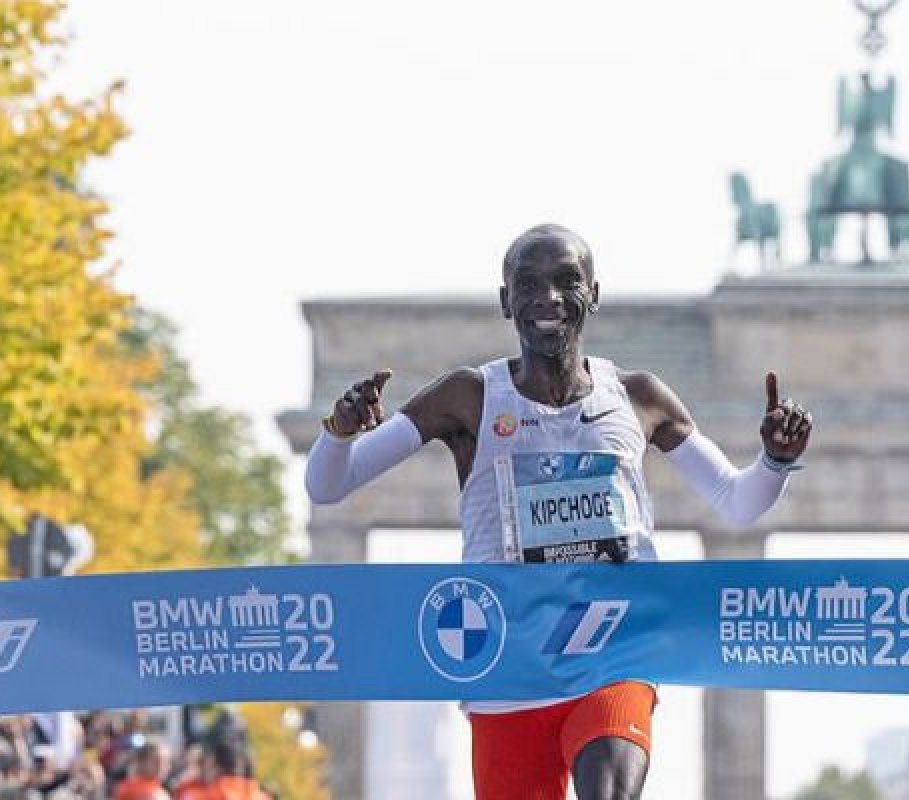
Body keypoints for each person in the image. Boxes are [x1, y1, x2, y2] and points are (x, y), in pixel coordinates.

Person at [305, 223, 812, 800]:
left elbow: (737, 502)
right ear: (506, 301)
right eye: (529, 284)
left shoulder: (639, 397)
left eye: (567, 281)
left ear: (593, 294)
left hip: (614, 652)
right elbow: (329, 485)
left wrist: (775, 460)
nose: (548, 297)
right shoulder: (468, 397)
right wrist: (339, 433)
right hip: (509, 667)